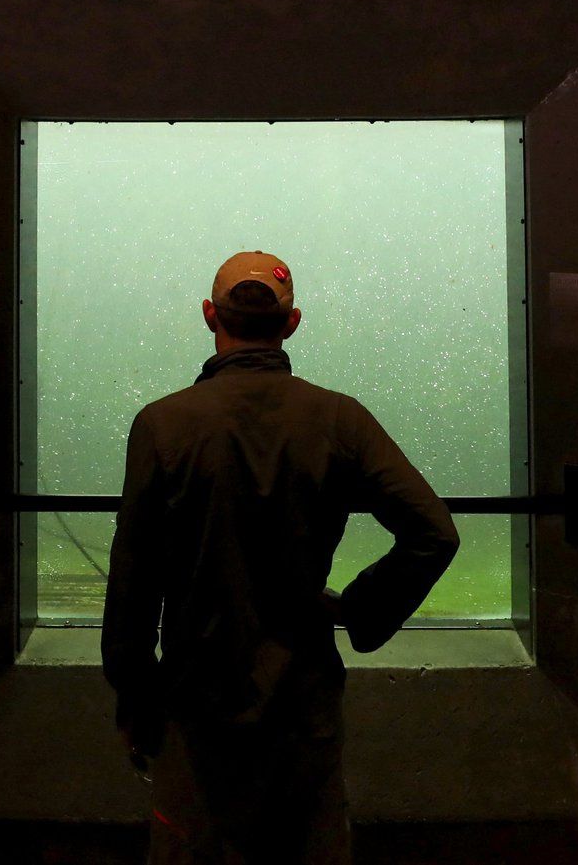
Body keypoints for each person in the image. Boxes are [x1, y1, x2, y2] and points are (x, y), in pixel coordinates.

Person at [104, 251, 459, 864]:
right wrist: (358, 612)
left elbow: (134, 581)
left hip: (194, 705)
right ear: (291, 323)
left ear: (209, 315)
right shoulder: (338, 419)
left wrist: (135, 697)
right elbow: (434, 533)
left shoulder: (162, 425)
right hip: (304, 700)